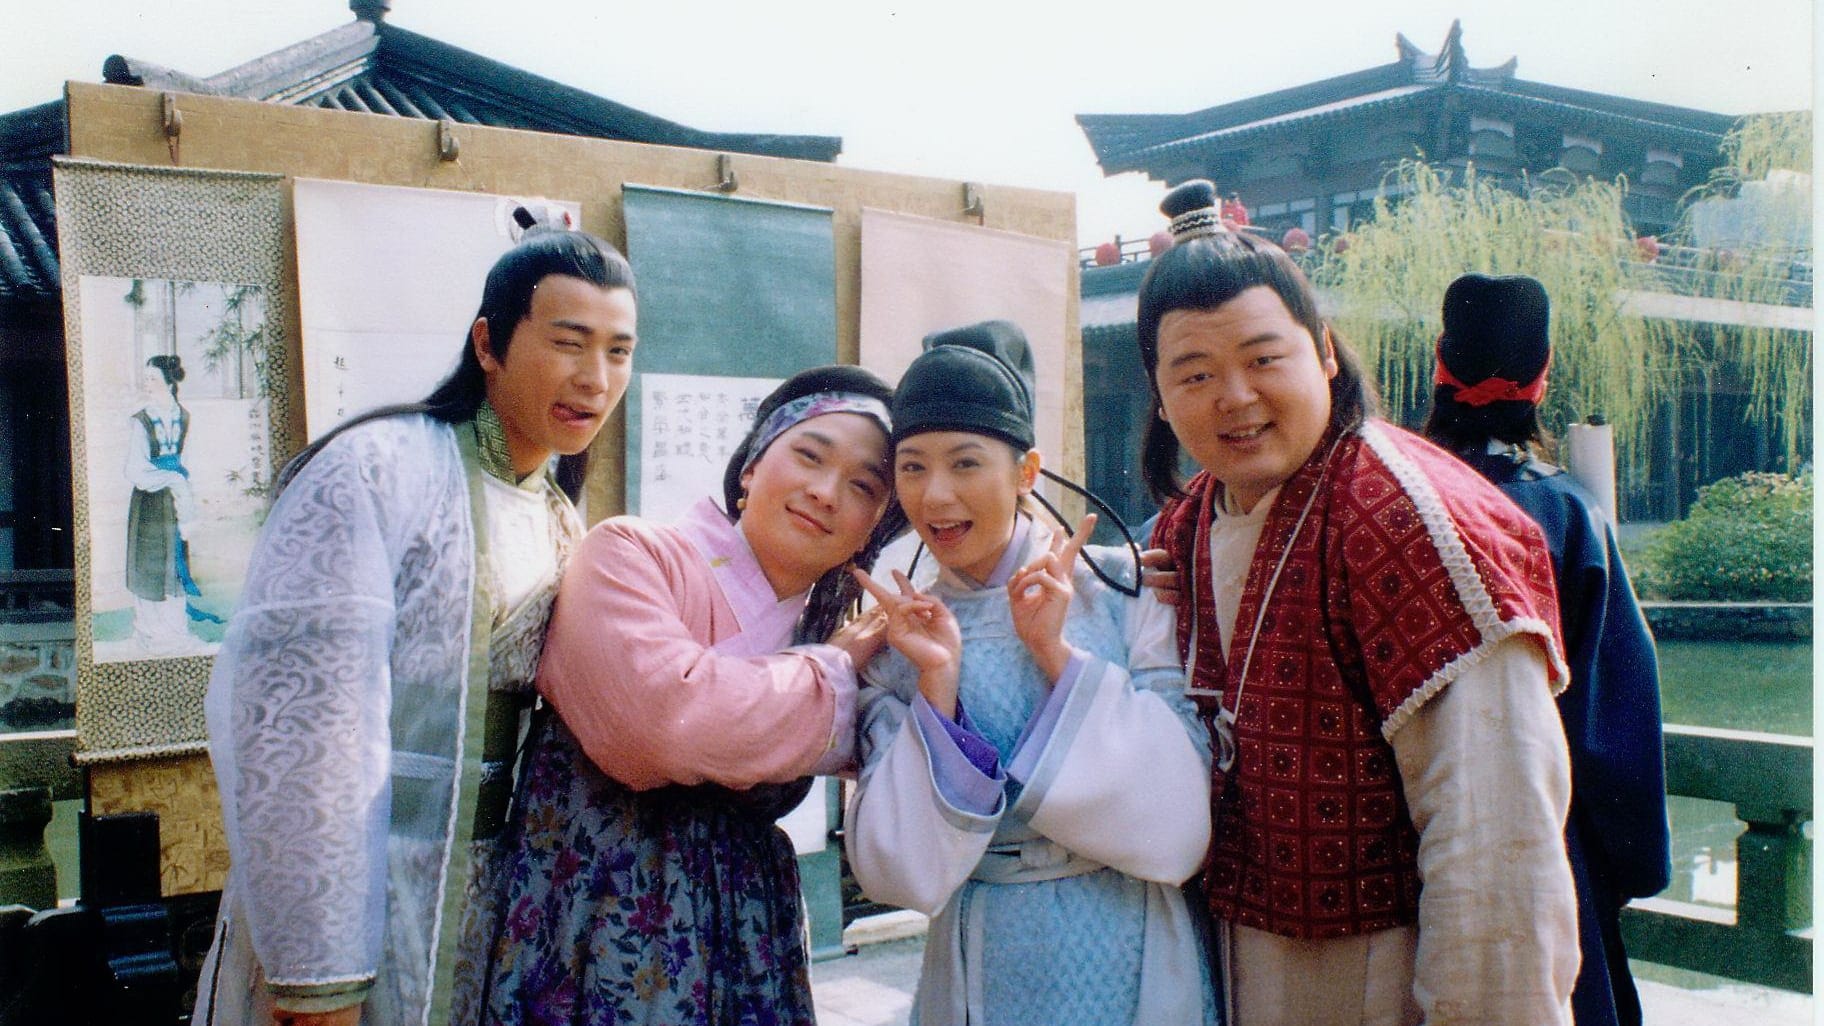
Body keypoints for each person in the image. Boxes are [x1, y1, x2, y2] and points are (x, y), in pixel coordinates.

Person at [1137, 181, 1580, 1025]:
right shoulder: (1184, 525)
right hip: (1215, 957)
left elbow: (1494, 832)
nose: (1234, 396)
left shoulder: (1414, 518)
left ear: (1325, 354)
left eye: (1264, 358)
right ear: (1159, 395)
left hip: (1381, 967)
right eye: (1195, 373)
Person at [194, 222, 638, 1026]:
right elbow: (300, 734)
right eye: (569, 343)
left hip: (489, 892)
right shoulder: (377, 471)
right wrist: (320, 972)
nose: (595, 378)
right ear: (488, 344)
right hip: (362, 891)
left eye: (618, 352)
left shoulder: (556, 514)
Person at [475, 364, 903, 1026]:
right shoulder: (632, 553)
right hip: (599, 922)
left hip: (746, 939)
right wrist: (829, 674)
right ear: (751, 467)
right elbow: (662, 724)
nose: (825, 492)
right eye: (809, 456)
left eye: (863, 486)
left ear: (872, 527)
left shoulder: (837, 636)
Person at [845, 321, 1217, 1025]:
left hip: (1126, 929)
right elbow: (897, 870)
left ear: (1026, 472)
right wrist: (937, 684)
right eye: (913, 468)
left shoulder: (1126, 590)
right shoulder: (899, 637)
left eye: (965, 463)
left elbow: (1180, 824)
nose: (936, 496)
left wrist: (1056, 654)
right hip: (980, 943)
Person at [1423, 272, 1670, 1026]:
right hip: (1544, 844)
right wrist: (1626, 866)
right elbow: (1612, 722)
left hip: (1404, 846)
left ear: (1439, 364)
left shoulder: (1392, 496)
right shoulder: (1564, 511)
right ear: (1544, 375)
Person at [125, 353, 215, 652]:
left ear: (168, 382)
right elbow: (134, 468)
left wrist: (185, 490)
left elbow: (190, 460)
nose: (147, 383)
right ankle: (149, 632)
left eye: (153, 378)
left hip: (176, 501)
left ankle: (175, 633)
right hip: (150, 501)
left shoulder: (184, 417)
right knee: (149, 564)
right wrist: (171, 479)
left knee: (174, 565)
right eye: (146, 378)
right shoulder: (142, 420)